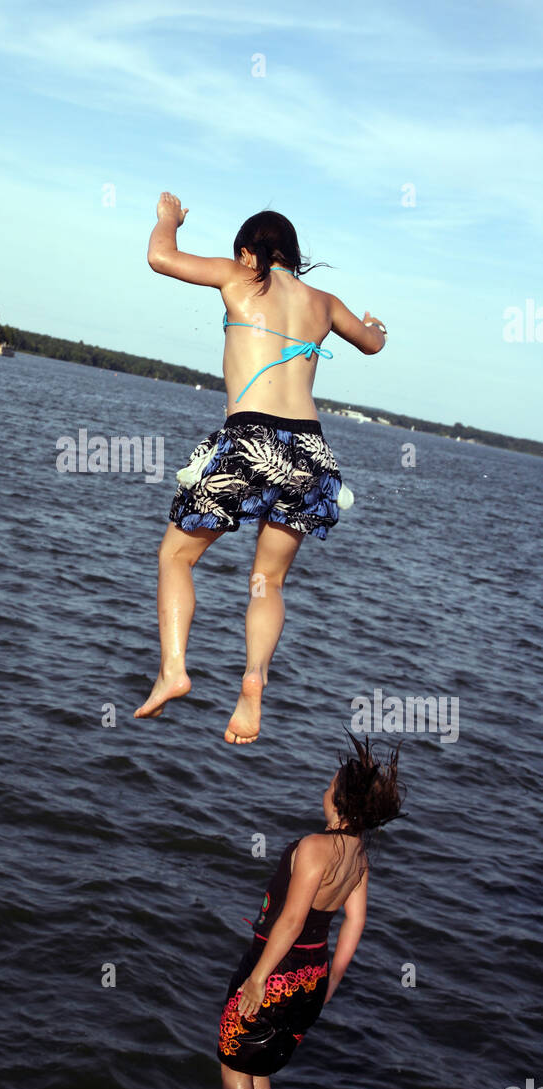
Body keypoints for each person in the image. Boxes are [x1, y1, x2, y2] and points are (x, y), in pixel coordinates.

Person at [134, 193, 387, 743]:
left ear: (250, 253)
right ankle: (253, 680)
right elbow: (371, 344)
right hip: (310, 450)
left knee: (175, 556)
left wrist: (168, 221)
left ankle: (173, 669)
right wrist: (376, 328)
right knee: (266, 580)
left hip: (252, 437)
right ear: (292, 255)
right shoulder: (323, 302)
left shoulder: (241, 277)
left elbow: (161, 257)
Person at [218, 735, 405, 1089]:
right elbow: (356, 921)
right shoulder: (359, 858)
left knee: (235, 1066)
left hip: (275, 969)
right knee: (259, 1067)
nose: (325, 790)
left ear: (339, 802)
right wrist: (332, 979)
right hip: (312, 978)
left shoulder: (315, 847)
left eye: (329, 785)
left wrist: (257, 980)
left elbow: (290, 921)